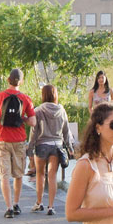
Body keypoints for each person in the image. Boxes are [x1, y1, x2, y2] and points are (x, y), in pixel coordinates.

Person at [0, 69, 34, 218]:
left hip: (2, 140)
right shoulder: (26, 99)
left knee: (4, 175)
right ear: (21, 81)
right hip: (19, 140)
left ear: (8, 80)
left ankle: (8, 208)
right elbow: (32, 122)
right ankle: (16, 204)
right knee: (18, 174)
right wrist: (22, 118)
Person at [28, 85, 71, 214]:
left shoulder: (38, 110)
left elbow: (34, 131)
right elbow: (66, 130)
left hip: (41, 145)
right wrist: (69, 146)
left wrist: (30, 147)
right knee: (52, 176)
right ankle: (51, 207)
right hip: (57, 146)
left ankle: (39, 203)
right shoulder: (61, 110)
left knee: (40, 175)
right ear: (55, 95)